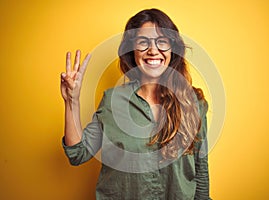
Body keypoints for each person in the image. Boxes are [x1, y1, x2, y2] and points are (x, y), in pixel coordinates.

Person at [60, 8, 212, 200]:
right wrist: (71, 101)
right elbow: (77, 154)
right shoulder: (112, 101)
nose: (153, 50)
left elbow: (201, 170)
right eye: (143, 42)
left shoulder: (193, 102)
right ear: (132, 51)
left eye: (162, 42)